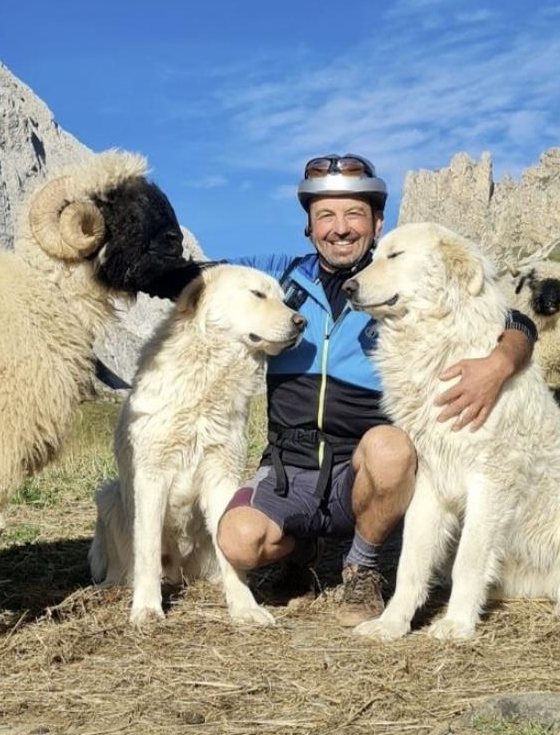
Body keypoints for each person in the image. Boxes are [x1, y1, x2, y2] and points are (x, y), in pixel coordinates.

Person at [215, 153, 537, 626]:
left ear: (377, 222)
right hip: (290, 466)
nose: (340, 227)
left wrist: (500, 362)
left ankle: (361, 566)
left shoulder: (401, 281)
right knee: (238, 542)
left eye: (354, 214)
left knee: (390, 448)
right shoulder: (278, 278)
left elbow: (516, 321)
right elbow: (197, 276)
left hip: (364, 468)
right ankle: (300, 548)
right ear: (309, 225)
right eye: (325, 215)